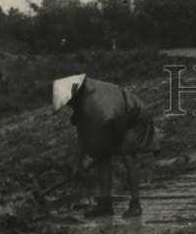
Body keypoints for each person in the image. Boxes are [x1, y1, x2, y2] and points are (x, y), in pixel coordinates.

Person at [52, 74, 158, 218]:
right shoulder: (82, 102)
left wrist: (94, 151)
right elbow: (83, 134)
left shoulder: (93, 107)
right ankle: (105, 205)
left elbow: (100, 132)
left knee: (128, 156)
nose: (68, 105)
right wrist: (78, 162)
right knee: (102, 157)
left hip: (134, 118)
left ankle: (135, 204)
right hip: (115, 117)